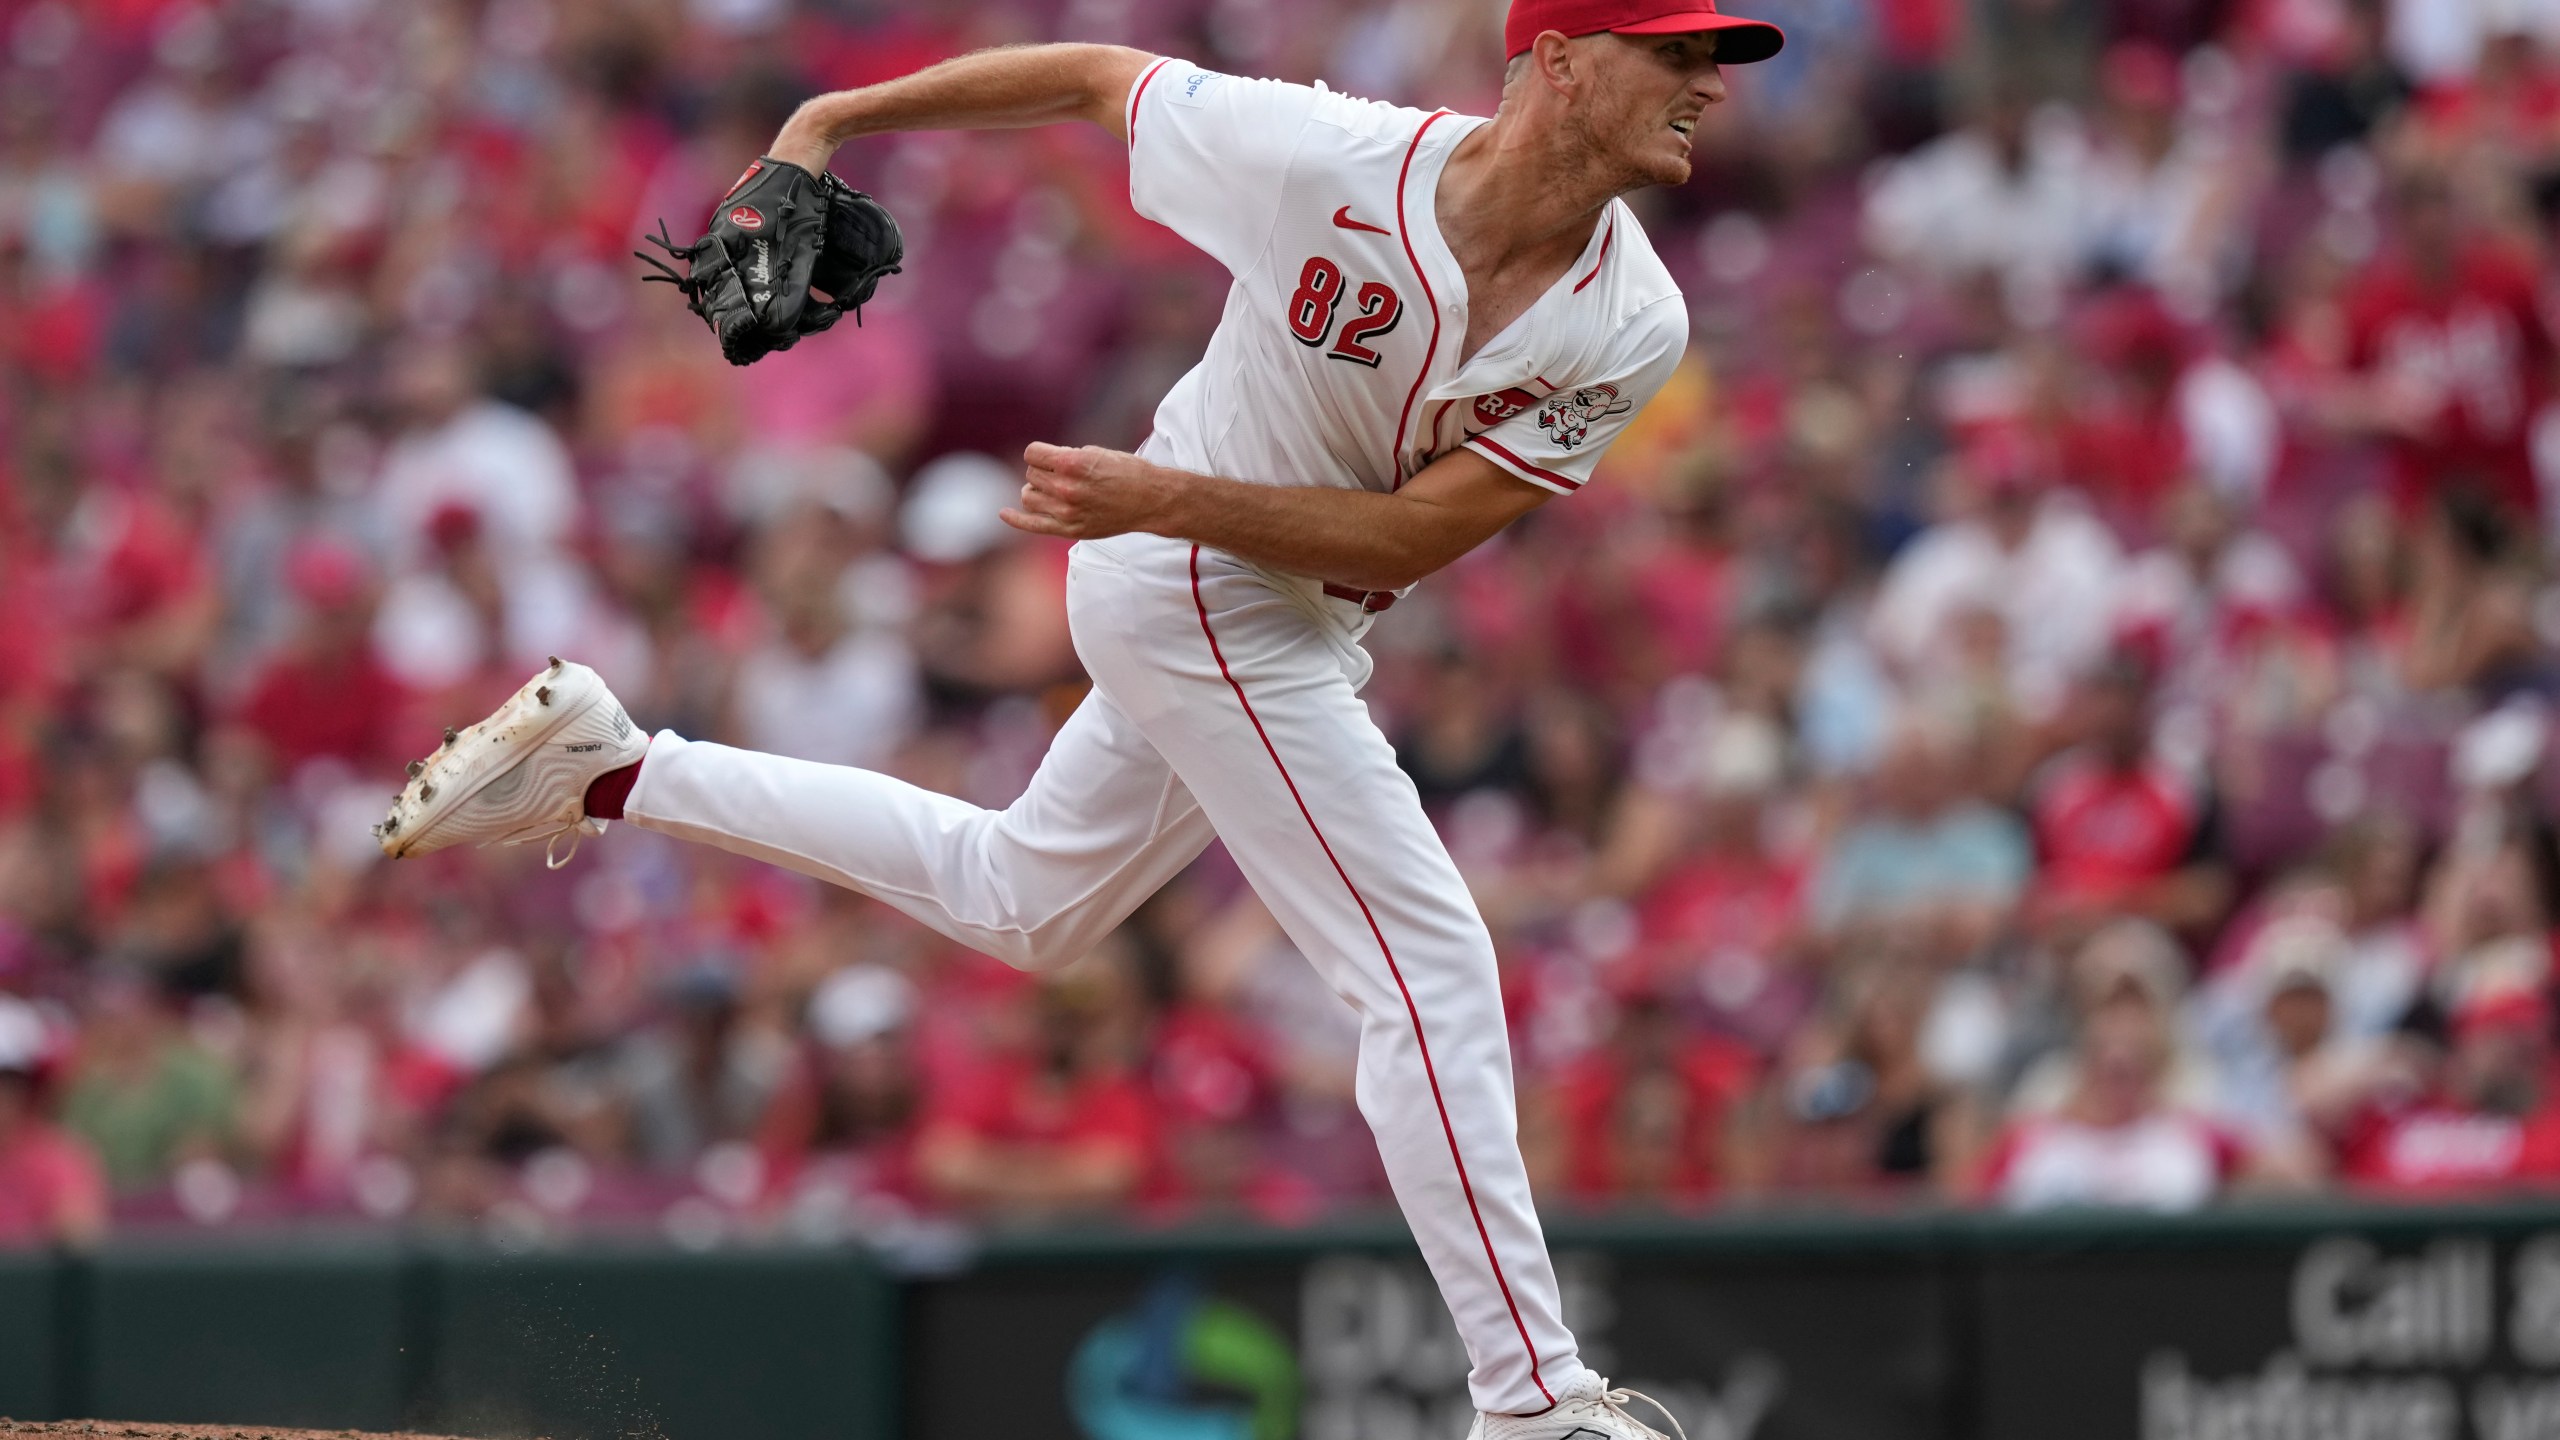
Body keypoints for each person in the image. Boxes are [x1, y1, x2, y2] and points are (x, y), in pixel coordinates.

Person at [369, 3, 1784, 1434]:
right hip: (1190, 591)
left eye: (1714, 57)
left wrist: (1155, 494)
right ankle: (1535, 1402)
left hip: (1244, 582)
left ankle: (615, 771)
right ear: (1556, 57)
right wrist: (830, 122)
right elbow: (1096, 78)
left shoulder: (1635, 318)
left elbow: (1413, 540)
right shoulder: (1329, 159)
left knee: (1023, 901)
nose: (1709, 85)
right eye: (1676, 52)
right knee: (1429, 967)